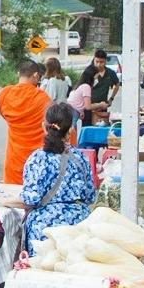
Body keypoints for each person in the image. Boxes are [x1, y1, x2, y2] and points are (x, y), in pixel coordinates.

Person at [19, 102, 98, 252]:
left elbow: (31, 199)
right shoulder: (80, 158)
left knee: (42, 270)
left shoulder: (37, 158)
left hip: (43, 229)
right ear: (70, 131)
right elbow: (90, 197)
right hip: (78, 226)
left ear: (44, 126)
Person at [0, 59, 50, 184]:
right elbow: (48, 124)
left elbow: (3, 114)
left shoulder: (4, 93)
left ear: (19, 73)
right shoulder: (42, 98)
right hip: (36, 157)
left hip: (13, 157)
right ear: (35, 75)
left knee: (12, 195)